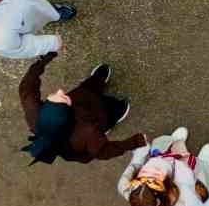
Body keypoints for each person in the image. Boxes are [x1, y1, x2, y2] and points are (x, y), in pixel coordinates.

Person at [18, 53, 147, 165]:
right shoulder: (88, 132)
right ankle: (116, 114)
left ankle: (97, 80)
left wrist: (45, 58)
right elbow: (104, 151)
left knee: (87, 89)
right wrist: (134, 142)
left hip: (82, 99)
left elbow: (26, 87)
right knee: (111, 111)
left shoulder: (34, 113)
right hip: (97, 116)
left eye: (52, 97)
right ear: (67, 114)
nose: (60, 91)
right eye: (63, 98)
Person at [117, 127, 209, 206]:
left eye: (141, 177)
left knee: (163, 150)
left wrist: (141, 151)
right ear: (163, 190)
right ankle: (202, 163)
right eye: (154, 179)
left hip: (170, 160)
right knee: (200, 175)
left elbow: (135, 164)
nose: (150, 170)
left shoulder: (126, 187)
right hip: (188, 174)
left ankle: (173, 141)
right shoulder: (184, 195)